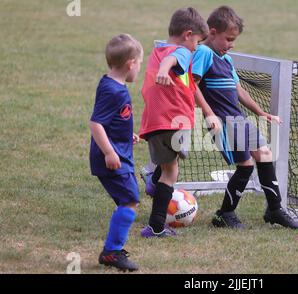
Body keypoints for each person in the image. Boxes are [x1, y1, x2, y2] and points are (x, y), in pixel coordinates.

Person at [192, 6, 298, 229]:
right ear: (212, 32)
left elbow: (239, 90)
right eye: (228, 39)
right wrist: (209, 113)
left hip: (238, 118)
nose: (231, 44)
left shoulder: (227, 59)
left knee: (264, 153)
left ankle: (274, 209)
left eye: (234, 40)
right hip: (222, 121)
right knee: (246, 164)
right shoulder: (203, 53)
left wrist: (260, 112)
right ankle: (224, 214)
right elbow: (191, 85)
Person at [139, 7, 220, 238]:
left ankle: (153, 182)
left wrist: (207, 112)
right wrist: (166, 68)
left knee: (166, 167)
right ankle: (155, 227)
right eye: (197, 41)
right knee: (171, 172)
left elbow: (189, 86)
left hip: (153, 122)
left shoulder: (158, 50)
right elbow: (175, 58)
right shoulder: (181, 51)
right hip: (173, 120)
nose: (197, 47)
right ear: (187, 34)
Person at [89, 34, 143, 271]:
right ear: (131, 63)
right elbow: (96, 124)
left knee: (127, 200)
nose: (139, 69)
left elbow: (112, 119)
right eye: (140, 63)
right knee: (130, 200)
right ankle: (111, 252)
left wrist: (124, 135)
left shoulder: (109, 83)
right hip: (113, 158)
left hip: (120, 150)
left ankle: (112, 249)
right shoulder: (116, 91)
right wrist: (110, 152)